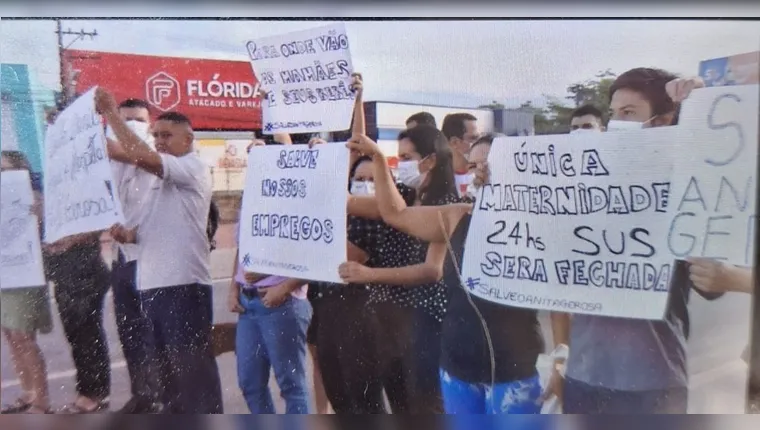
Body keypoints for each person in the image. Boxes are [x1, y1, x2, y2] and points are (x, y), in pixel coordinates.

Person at [345, 133, 566, 417]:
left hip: (514, 371)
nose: (481, 172)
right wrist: (377, 157)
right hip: (458, 367)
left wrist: (560, 366)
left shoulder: (539, 224)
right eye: (474, 166)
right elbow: (394, 213)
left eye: (489, 164)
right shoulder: (457, 216)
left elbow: (563, 302)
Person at [562, 68, 713, 414]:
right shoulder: (585, 185)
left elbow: (712, 283)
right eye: (614, 114)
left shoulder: (686, 187)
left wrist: (703, 105)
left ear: (662, 122)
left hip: (652, 380)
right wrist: (495, 183)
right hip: (583, 374)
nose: (616, 124)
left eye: (628, 114)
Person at [97, 87, 223, 414]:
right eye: (157, 135)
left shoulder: (192, 168)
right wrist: (128, 235)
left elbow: (140, 156)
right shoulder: (161, 180)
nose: (160, 141)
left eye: (167, 135)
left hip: (182, 285)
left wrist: (111, 114)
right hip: (152, 286)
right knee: (169, 384)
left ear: (189, 138)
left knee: (194, 382)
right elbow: (154, 225)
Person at [343, 124, 461, 413]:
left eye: (407, 157)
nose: (402, 164)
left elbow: (432, 270)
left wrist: (372, 275)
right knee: (399, 401)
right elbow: (355, 203)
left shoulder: (449, 204)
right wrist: (328, 160)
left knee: (423, 403)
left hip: (425, 322)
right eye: (398, 157)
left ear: (431, 160)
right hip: (389, 317)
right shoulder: (406, 196)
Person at [228, 137, 313, 415]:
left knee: (291, 385)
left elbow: (315, 255)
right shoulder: (249, 198)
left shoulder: (298, 200)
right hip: (248, 303)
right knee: (250, 382)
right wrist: (233, 287)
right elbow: (243, 249)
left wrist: (285, 287)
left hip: (281, 303)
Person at [106, 98, 163, 414]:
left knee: (150, 332)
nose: (131, 127)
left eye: (138, 120)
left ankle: (158, 397)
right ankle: (142, 393)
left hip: (149, 256)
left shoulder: (155, 156)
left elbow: (126, 151)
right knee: (129, 332)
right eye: (124, 120)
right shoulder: (112, 162)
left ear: (150, 124)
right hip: (121, 257)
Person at [0, 151, 53, 414]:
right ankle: (27, 392)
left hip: (26, 275)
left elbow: (45, 230)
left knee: (24, 336)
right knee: (10, 336)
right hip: (4, 276)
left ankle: (42, 400)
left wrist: (38, 211)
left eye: (6, 169)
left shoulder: (36, 198)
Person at [441, 113, 480, 198]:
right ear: (454, 142)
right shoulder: (437, 180)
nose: (479, 144)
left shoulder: (484, 175)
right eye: (473, 138)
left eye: (479, 138)